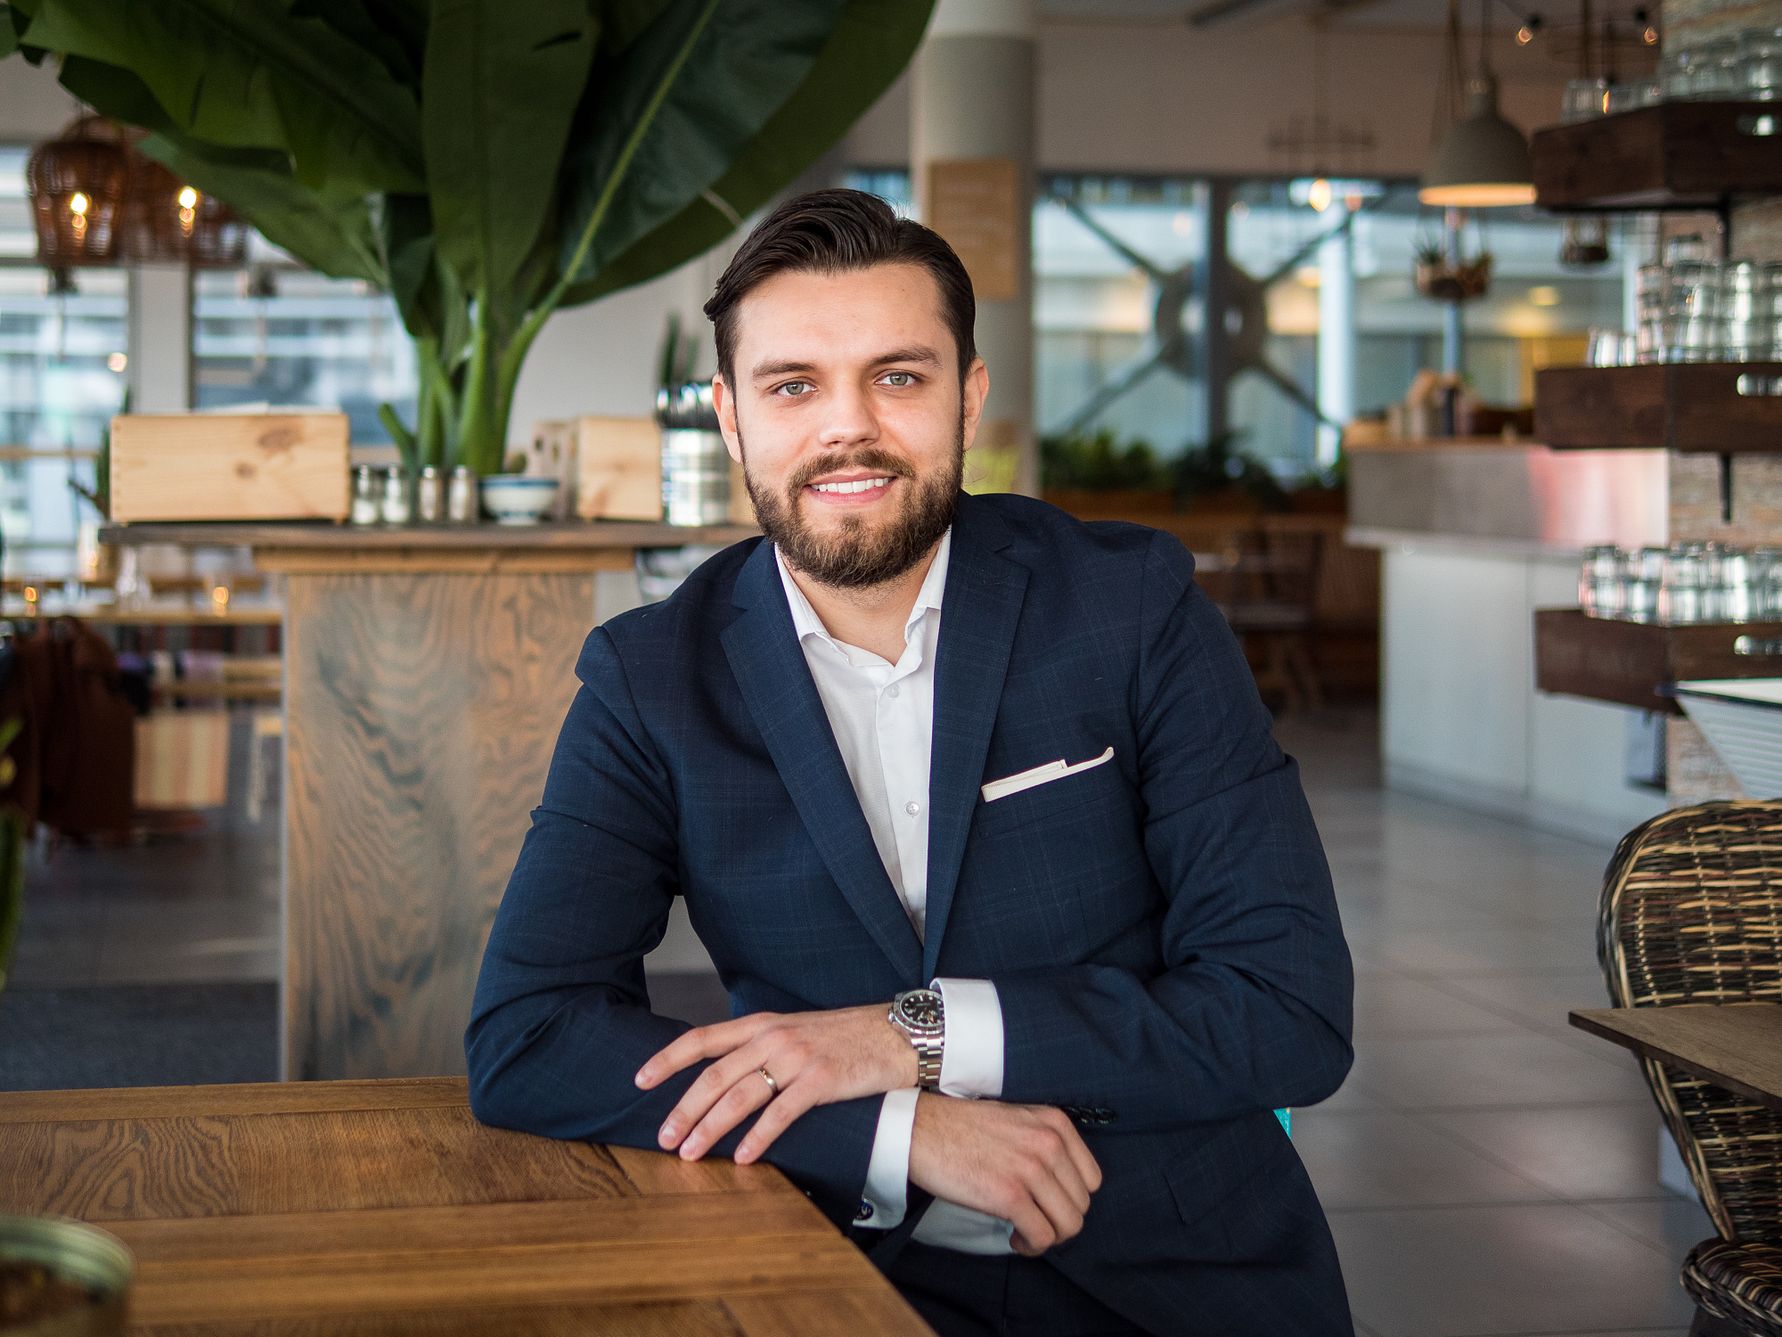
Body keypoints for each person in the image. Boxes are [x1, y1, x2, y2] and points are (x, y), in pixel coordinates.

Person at [467, 188, 1355, 1336]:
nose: (849, 429)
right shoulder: (651, 678)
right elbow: (529, 1034)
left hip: (1178, 1270)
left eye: (897, 376)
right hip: (836, 1261)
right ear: (731, 417)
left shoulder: (1134, 608)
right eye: (794, 385)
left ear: (967, 396)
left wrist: (909, 1038)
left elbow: (1289, 1007)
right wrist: (894, 1125)